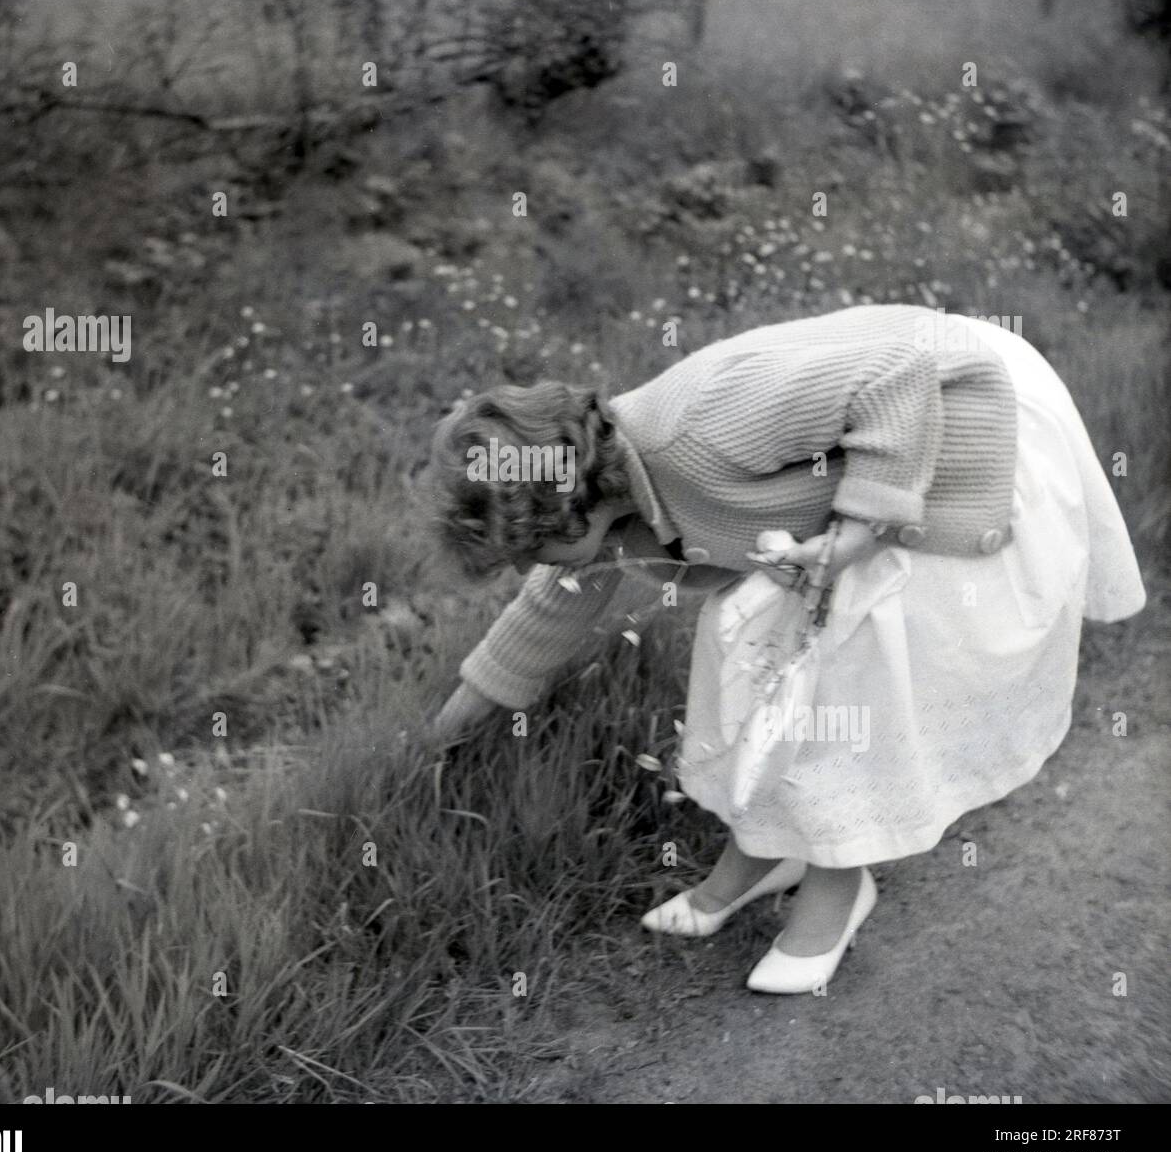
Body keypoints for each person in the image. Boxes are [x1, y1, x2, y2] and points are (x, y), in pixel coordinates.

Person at [428, 305, 1146, 994]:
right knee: (751, 662)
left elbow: (900, 372)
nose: (529, 566)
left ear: (569, 501)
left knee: (859, 678)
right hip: (870, 477)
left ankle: (837, 890)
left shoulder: (699, 427)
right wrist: (434, 743)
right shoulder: (602, 512)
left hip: (970, 419)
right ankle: (767, 849)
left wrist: (864, 525)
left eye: (531, 547)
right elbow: (540, 621)